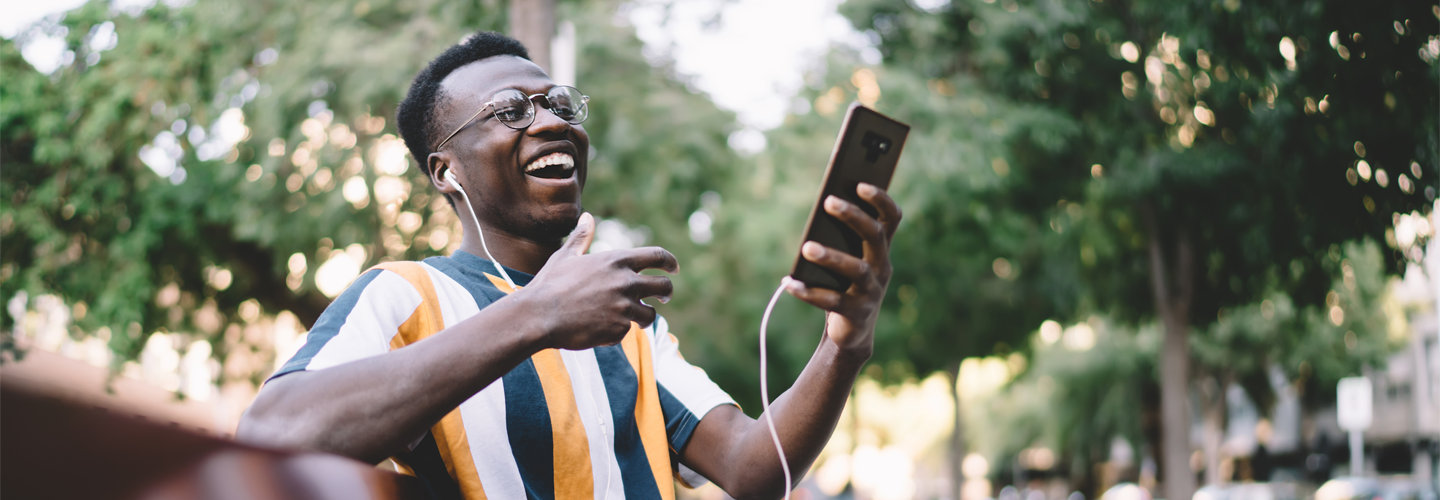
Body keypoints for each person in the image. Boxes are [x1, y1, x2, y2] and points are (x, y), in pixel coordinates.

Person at [237, 31, 902, 500]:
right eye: (510, 112)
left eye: (559, 104)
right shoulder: (404, 294)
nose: (551, 122)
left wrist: (846, 345)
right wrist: (538, 313)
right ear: (446, 171)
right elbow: (273, 433)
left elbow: (759, 470)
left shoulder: (628, 326)